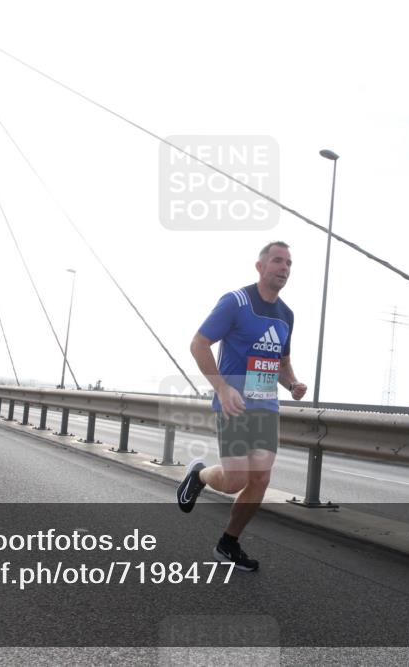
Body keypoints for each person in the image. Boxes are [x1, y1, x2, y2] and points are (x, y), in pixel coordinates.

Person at [178, 241, 307, 572]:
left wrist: (292, 383)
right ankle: (200, 474)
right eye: (277, 261)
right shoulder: (236, 302)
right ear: (260, 266)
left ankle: (228, 543)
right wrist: (221, 388)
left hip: (266, 407)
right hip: (233, 403)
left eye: (289, 263)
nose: (284, 268)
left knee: (261, 478)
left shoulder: (286, 315)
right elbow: (199, 343)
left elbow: (282, 361)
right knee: (236, 480)